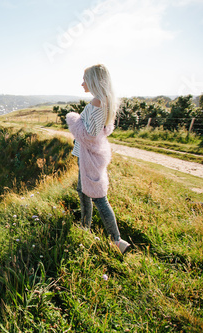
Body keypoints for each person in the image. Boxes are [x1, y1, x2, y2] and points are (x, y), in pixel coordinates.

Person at [66, 64, 130, 254]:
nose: (82, 83)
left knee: (99, 197)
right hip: (90, 154)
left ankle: (117, 241)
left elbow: (89, 134)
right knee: (83, 190)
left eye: (85, 79)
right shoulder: (106, 101)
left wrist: (73, 119)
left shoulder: (97, 102)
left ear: (94, 80)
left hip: (88, 156)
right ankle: (85, 227)